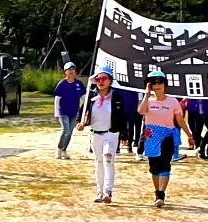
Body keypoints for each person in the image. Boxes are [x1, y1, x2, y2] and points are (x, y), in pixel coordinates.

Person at [137, 70, 195, 208]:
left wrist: (189, 135)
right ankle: (157, 191)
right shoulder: (148, 101)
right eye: (153, 83)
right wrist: (147, 94)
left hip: (167, 136)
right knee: (154, 166)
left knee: (165, 164)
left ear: (165, 84)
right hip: (151, 136)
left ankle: (161, 194)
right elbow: (141, 111)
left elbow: (179, 120)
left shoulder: (172, 101)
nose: (157, 85)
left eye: (160, 82)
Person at [75, 67, 126, 204]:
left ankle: (108, 191)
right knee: (98, 163)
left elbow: (122, 116)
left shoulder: (117, 97)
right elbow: (82, 111)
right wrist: (80, 123)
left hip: (111, 133)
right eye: (98, 79)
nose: (100, 82)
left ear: (110, 81)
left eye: (104, 78)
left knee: (108, 160)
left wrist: (124, 135)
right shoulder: (91, 96)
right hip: (95, 134)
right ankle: (99, 191)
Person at [52, 63, 86, 160]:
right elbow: (57, 98)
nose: (71, 72)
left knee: (70, 132)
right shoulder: (62, 84)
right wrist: (56, 113)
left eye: (73, 69)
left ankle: (64, 150)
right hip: (63, 111)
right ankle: (59, 149)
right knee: (65, 130)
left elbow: (83, 96)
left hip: (74, 112)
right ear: (65, 72)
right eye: (69, 70)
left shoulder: (78, 84)